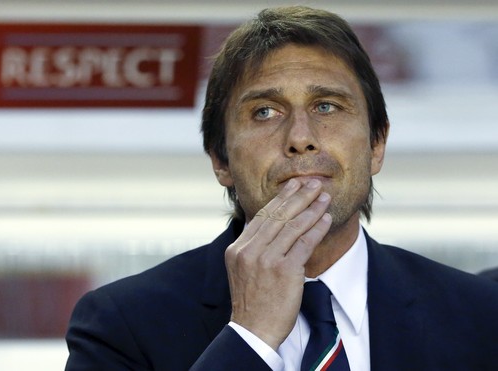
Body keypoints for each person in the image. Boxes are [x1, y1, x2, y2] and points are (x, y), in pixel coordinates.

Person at [65, 6, 498, 370]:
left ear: (376, 145)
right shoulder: (120, 325)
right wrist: (250, 336)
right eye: (265, 112)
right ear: (221, 160)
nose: (300, 137)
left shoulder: (482, 315)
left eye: (326, 106)